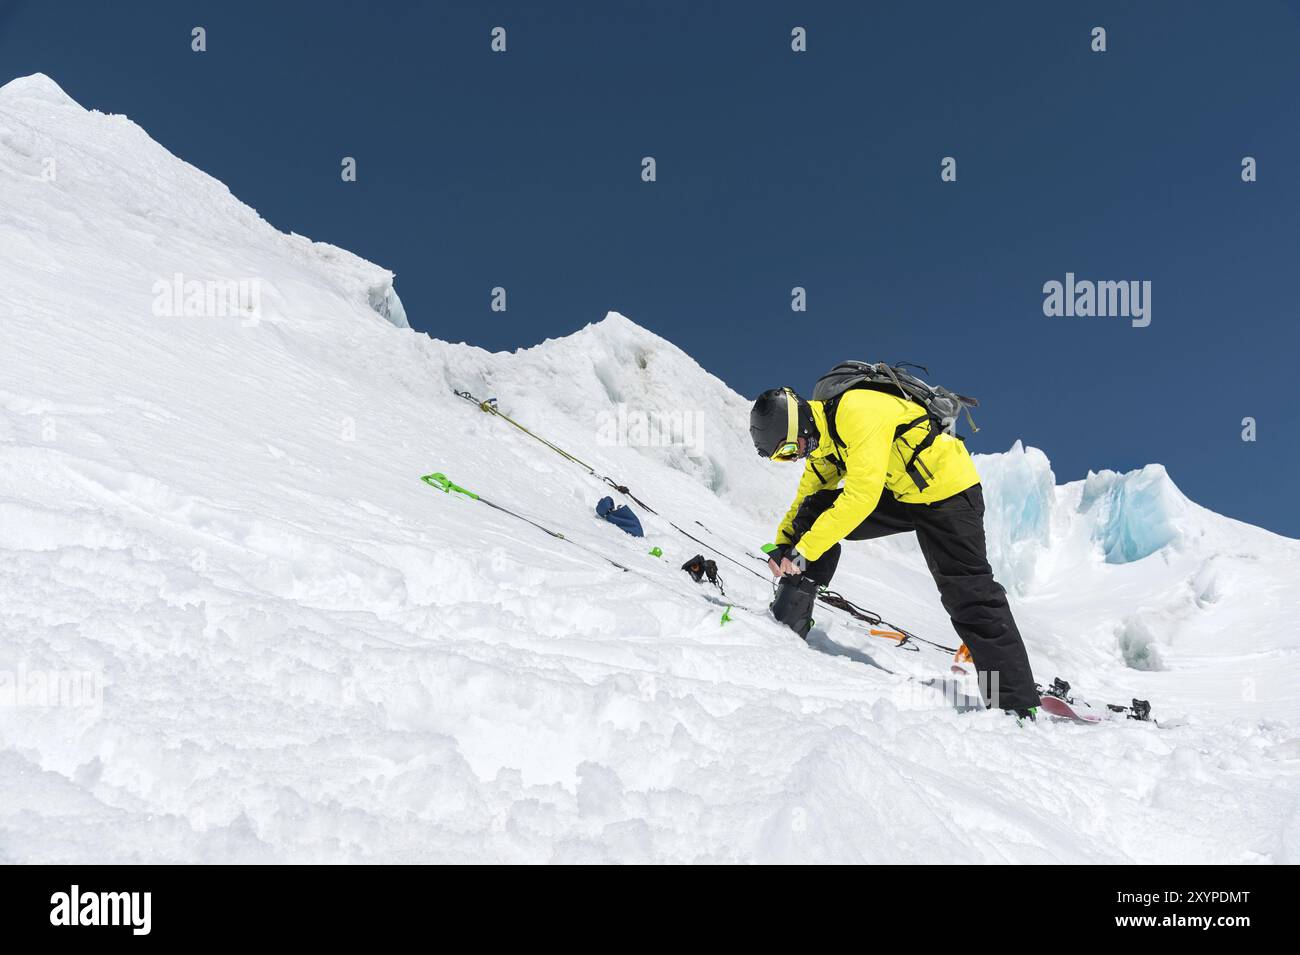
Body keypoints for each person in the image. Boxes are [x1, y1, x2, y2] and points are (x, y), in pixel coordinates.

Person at [749, 382, 1040, 717]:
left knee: (968, 596)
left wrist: (804, 552)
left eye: (788, 449)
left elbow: (861, 497)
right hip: (905, 495)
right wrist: (786, 545)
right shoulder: (823, 446)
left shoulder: (856, 411)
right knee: (812, 511)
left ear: (799, 424)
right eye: (783, 457)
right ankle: (789, 621)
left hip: (948, 494)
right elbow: (804, 500)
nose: (794, 457)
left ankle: (1014, 704)